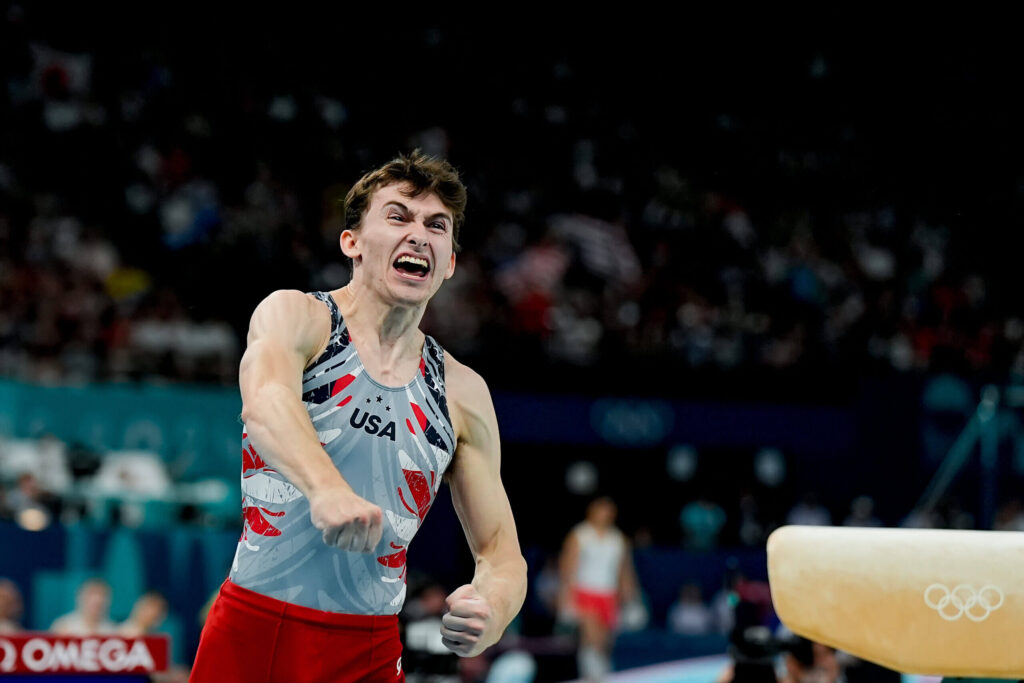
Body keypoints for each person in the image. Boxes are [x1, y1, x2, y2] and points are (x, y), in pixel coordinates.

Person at [190, 151, 527, 682]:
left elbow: (500, 552)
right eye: (398, 217)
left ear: (450, 263)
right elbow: (265, 401)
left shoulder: (462, 391)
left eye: (437, 226)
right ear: (352, 243)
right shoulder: (298, 316)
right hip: (258, 628)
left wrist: (494, 609)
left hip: (368, 649)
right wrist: (326, 488)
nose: (419, 235)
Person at [558, 497, 640, 681]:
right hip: (585, 592)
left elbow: (625, 572)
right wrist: (566, 601)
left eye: (608, 511)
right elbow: (567, 569)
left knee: (604, 643)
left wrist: (633, 601)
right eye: (601, 510)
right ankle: (591, 676)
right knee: (591, 638)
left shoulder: (618, 539)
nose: (604, 514)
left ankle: (601, 675)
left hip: (609, 595)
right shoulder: (579, 535)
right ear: (592, 511)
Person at [51, 577, 117, 635]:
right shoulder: (63, 626)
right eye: (91, 593)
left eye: (103, 595)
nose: (97, 600)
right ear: (79, 596)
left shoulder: (113, 630)